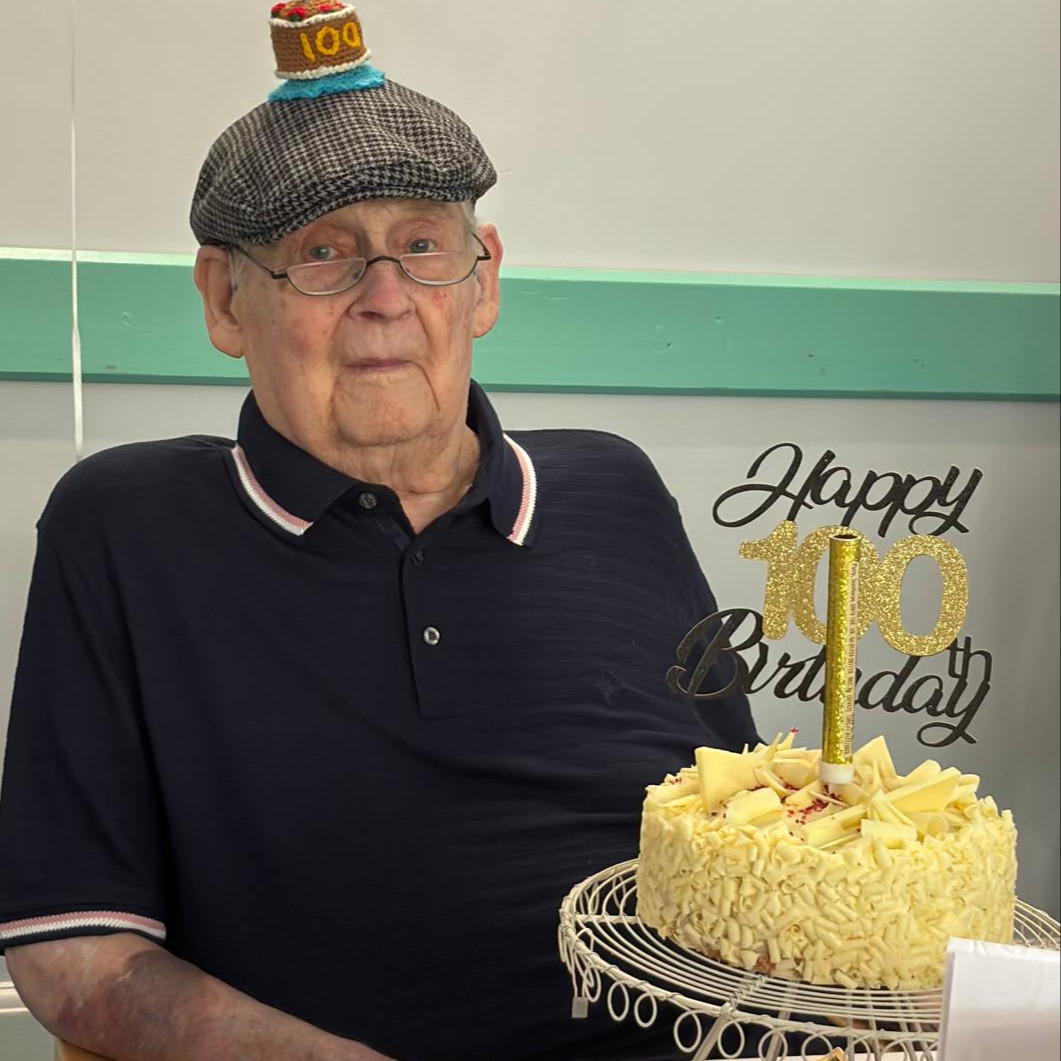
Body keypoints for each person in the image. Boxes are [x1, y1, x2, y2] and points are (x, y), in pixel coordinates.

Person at [0, 5, 758, 1059]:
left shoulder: (613, 485)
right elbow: (75, 952)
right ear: (224, 299)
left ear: (482, 277)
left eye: (421, 245)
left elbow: (752, 838)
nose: (386, 297)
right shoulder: (125, 527)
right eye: (324, 254)